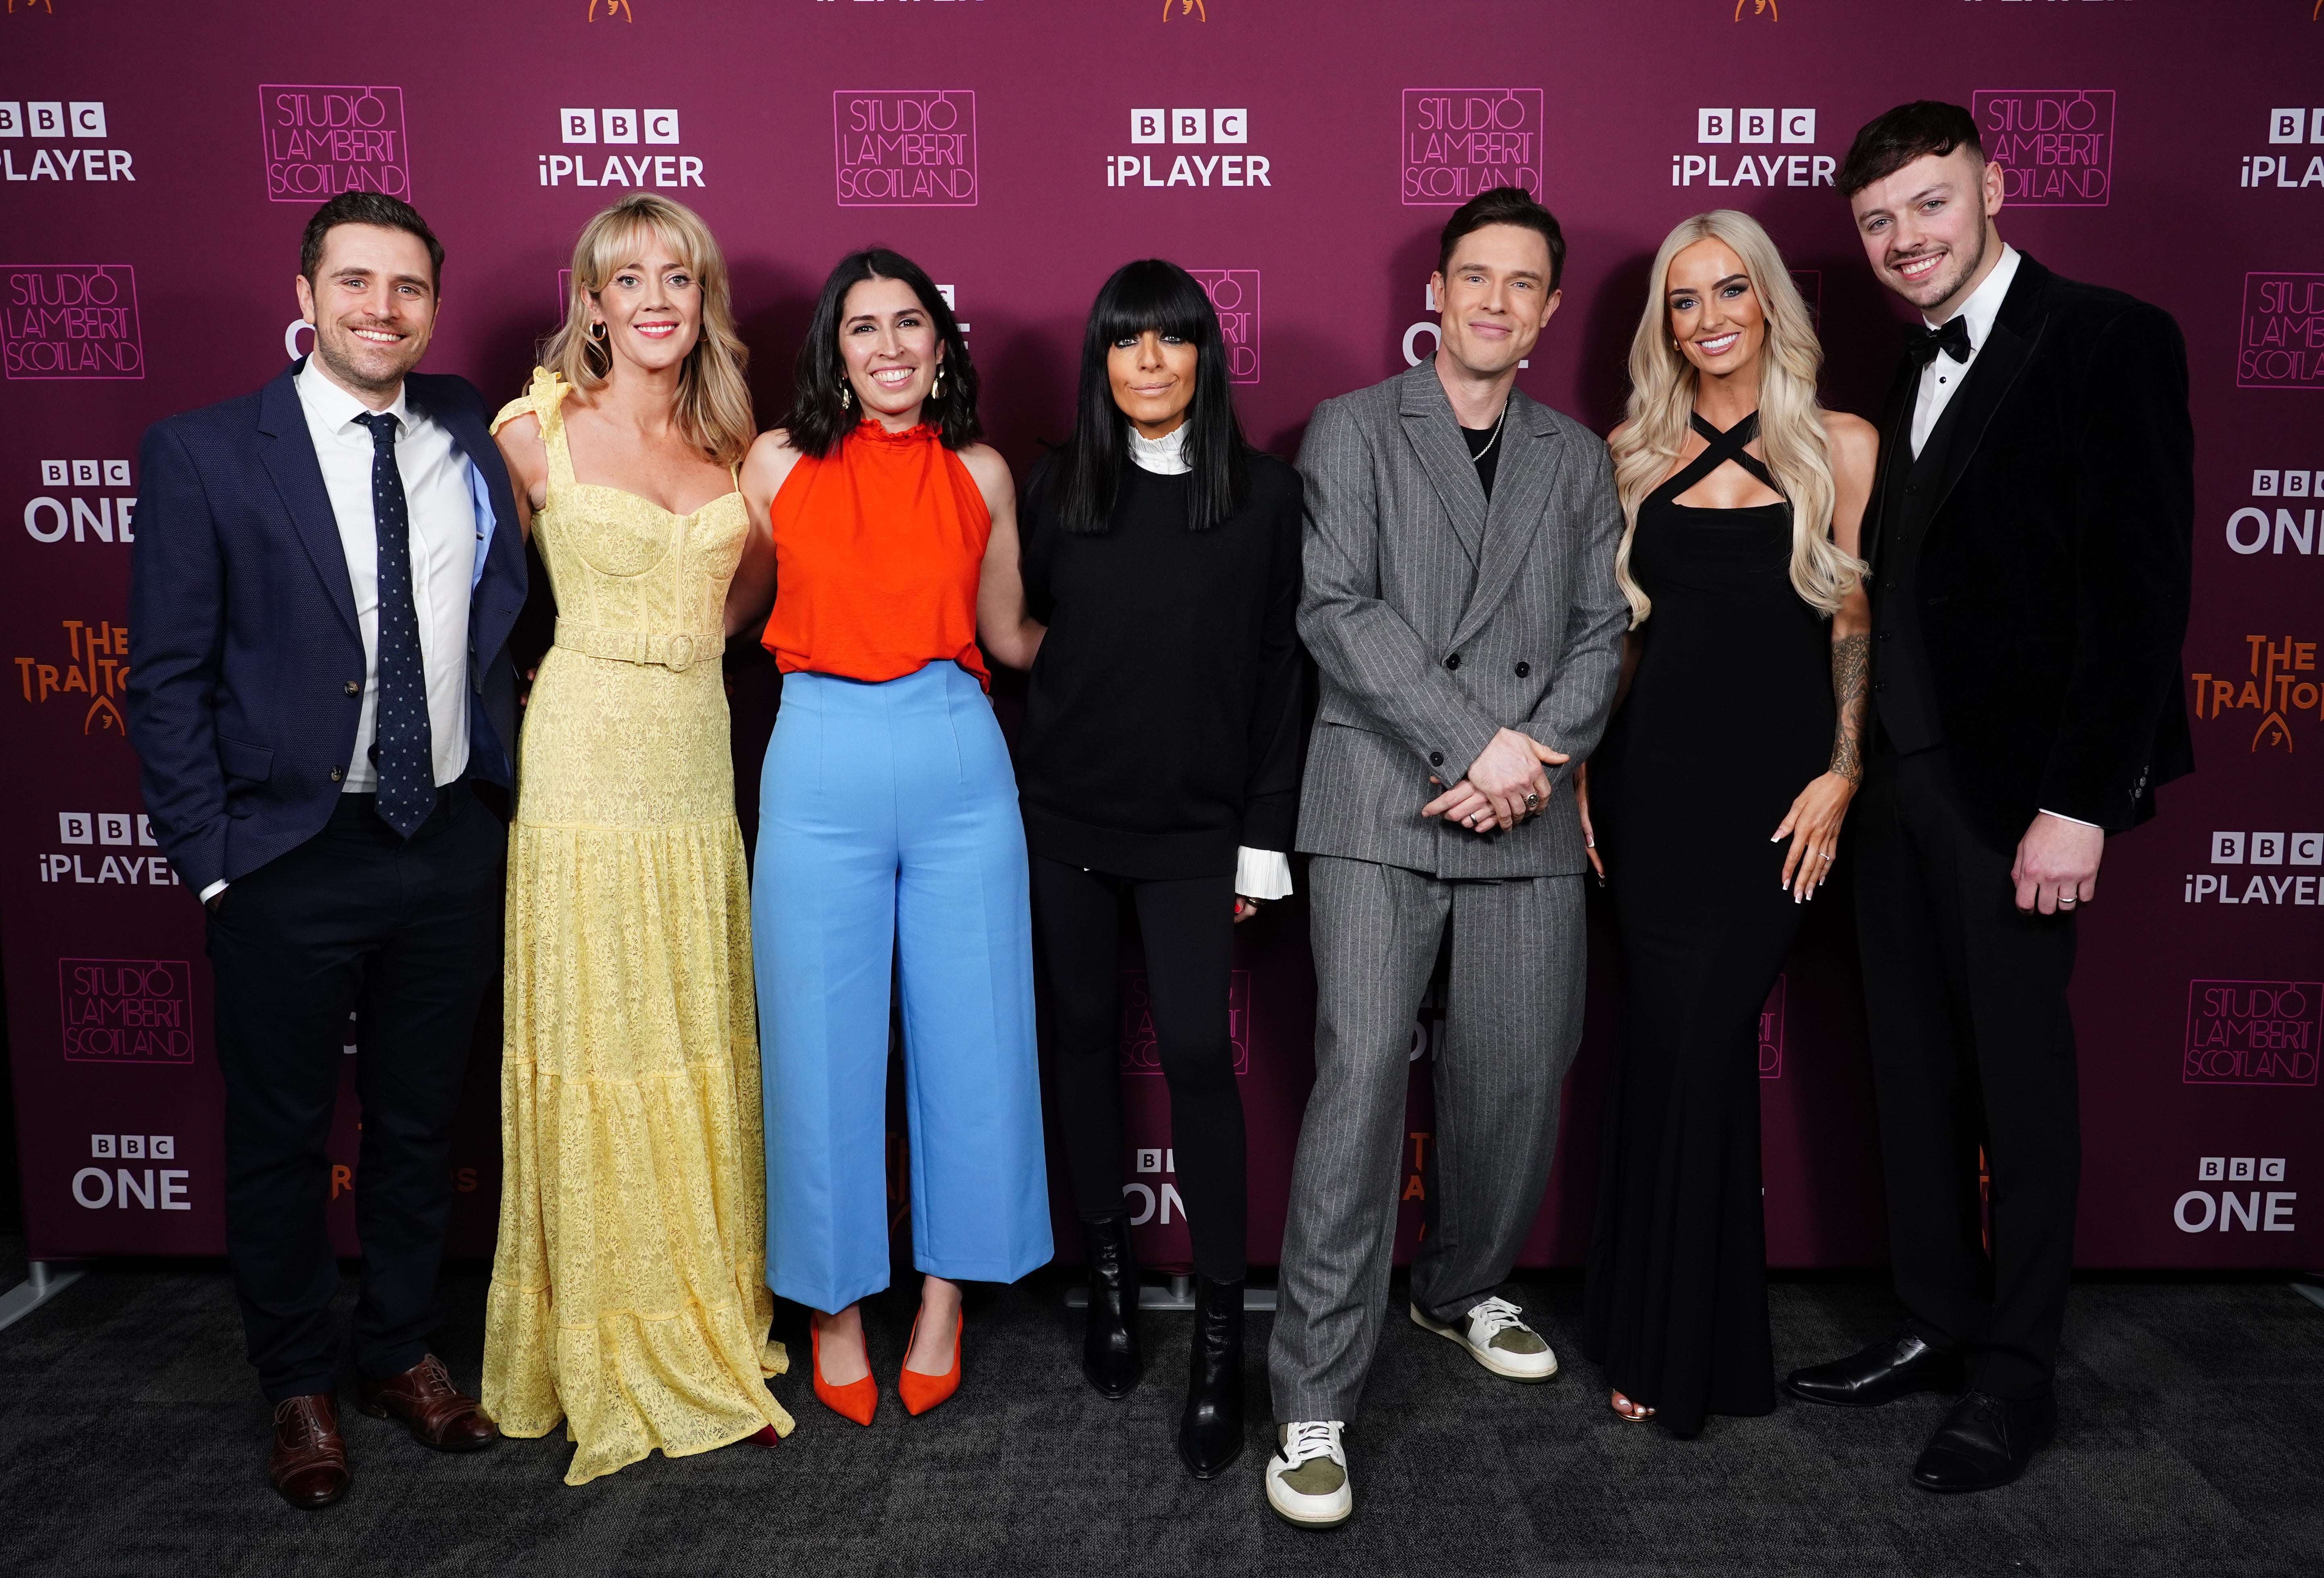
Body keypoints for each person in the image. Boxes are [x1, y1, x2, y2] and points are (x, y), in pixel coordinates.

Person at [1783, 101, 2193, 1492]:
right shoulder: (1897, 370)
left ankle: (2015, 1378)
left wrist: (2082, 802)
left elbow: (2139, 599)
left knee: (2019, 1093)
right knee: (1908, 1074)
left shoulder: (2109, 339)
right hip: (1896, 790)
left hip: (2021, 797)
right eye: (1880, 222)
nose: (1906, 241)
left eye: (1931, 206)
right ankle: (1933, 1325)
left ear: (1995, 188)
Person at [125, 193, 525, 1508]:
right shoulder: (204, 454)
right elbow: (167, 676)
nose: (380, 310)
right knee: (284, 1137)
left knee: (418, 1125)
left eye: (408, 288)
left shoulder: (468, 422)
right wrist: (216, 859)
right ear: (303, 295)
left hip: (447, 836)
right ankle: (298, 1381)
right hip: (288, 853)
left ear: (433, 307)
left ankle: (398, 1351)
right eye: (354, 283)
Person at [1263, 186, 1628, 1528]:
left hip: (1522, 803)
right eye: (1474, 276)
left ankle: (1461, 1284)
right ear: (1436, 291)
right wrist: (1477, 743)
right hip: (1379, 803)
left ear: (1545, 308)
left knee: (1522, 1073)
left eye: (1522, 283)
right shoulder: (1356, 430)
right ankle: (1310, 1397)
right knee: (1361, 1082)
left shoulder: (1577, 458)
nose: (1494, 301)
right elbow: (1336, 610)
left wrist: (1527, 760)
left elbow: (1601, 635)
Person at [479, 195, 790, 1484]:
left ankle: (699, 1300)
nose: (656, 297)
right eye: (628, 279)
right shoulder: (529, 429)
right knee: (598, 1033)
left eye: (679, 275)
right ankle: (599, 1326)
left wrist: (685, 644)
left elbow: (752, 596)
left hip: (690, 761)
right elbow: (477, 599)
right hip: (582, 762)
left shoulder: (742, 448)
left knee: (686, 1029)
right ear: (591, 301)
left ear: (704, 296)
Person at [1574, 210, 1876, 1438]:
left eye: (1731, 292)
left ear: (1769, 307)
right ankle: (1652, 1323)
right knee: (1662, 1049)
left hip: (1778, 800)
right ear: (1664, 321)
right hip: (1653, 796)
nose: (1708, 320)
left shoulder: (1842, 446)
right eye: (1684, 300)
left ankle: (1677, 1342)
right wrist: (1586, 774)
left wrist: (1846, 770)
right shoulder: (1625, 455)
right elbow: (1622, 641)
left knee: (1702, 1045)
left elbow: (1854, 621)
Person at [737, 247, 1051, 1427]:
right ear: (833, 348)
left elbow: (1013, 635)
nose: (887, 347)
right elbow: (732, 604)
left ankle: (941, 1294)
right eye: (862, 327)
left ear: (939, 341)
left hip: (959, 755)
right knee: (817, 1042)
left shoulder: (981, 470)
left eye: (908, 323)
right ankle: (829, 1304)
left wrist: (1154, 639)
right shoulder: (773, 463)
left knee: (974, 1036)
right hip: (817, 753)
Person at [1016, 259, 1305, 1478]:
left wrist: (1263, 837)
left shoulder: (1266, 498)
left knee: (1196, 1057)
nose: (1148, 363)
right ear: (1102, 359)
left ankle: (1221, 1345)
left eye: (1171, 342)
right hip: (1070, 824)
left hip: (1200, 834)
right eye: (1126, 343)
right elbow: (1018, 640)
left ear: (1203, 356)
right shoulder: (1052, 490)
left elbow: (1287, 680)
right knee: (1077, 1039)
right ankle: (1116, 1286)